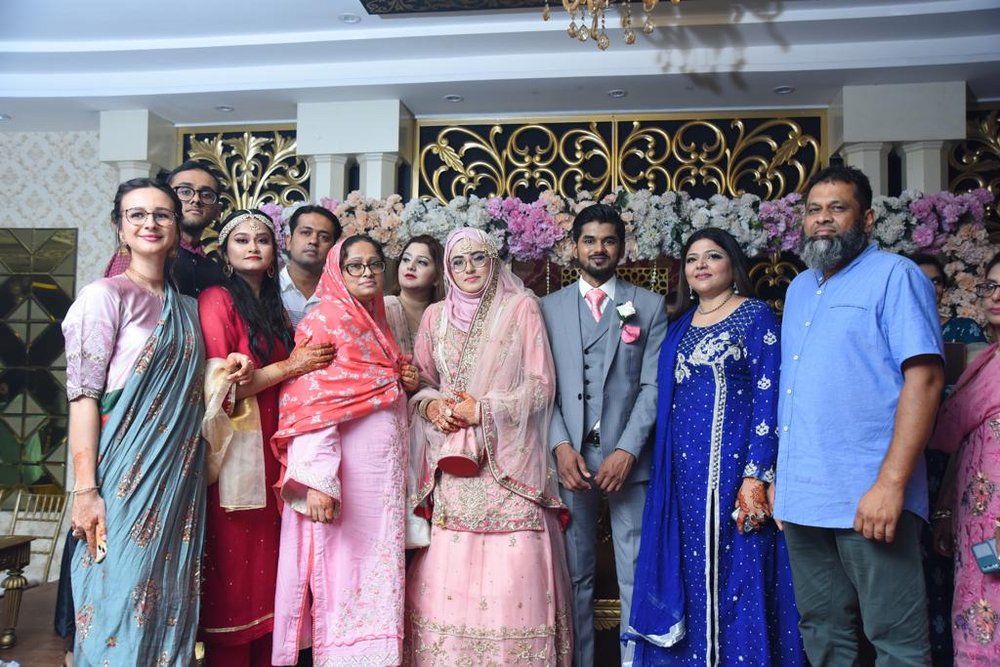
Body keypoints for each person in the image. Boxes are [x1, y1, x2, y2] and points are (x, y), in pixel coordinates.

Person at [61, 177, 248, 665]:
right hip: (121, 480)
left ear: (176, 225)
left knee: (169, 604)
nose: (150, 223)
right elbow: (83, 398)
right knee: (118, 598)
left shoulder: (188, 307)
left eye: (162, 214)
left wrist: (228, 367)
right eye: (137, 214)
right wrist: (85, 491)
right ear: (119, 226)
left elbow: (196, 386)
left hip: (179, 482)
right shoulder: (105, 296)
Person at [773, 165, 945, 665]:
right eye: (814, 210)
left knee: (896, 640)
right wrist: (787, 481)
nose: (823, 219)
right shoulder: (799, 288)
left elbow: (926, 380)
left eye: (837, 208)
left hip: (870, 492)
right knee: (823, 632)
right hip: (805, 498)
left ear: (867, 219)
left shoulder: (896, 275)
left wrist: (891, 484)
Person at [625, 228, 804, 665]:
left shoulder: (755, 316)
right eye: (692, 259)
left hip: (734, 476)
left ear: (733, 265)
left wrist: (757, 474)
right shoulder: (679, 327)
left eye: (712, 256)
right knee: (688, 574)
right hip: (683, 481)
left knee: (738, 574)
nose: (700, 265)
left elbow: (769, 396)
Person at [404, 227, 573, 665]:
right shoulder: (435, 317)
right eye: (458, 262)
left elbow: (541, 386)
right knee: (450, 577)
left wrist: (484, 409)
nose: (469, 269)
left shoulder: (521, 307)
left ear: (494, 262)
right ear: (447, 270)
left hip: (509, 464)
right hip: (454, 463)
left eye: (478, 258)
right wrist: (433, 408)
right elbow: (422, 382)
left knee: (512, 579)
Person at [270, 236, 419, 666]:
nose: (367, 272)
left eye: (375, 264)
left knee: (377, 574)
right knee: (342, 573)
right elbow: (311, 400)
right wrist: (318, 481)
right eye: (356, 266)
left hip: (381, 480)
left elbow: (377, 385)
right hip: (345, 478)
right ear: (337, 271)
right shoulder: (326, 319)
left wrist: (404, 381)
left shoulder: (375, 320)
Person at [197, 209, 335, 665]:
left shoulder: (273, 306)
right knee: (235, 569)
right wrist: (290, 366)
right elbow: (222, 390)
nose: (253, 246)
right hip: (238, 456)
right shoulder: (217, 299)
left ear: (276, 251)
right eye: (241, 240)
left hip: (277, 446)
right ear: (225, 253)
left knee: (273, 571)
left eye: (262, 239)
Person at [540, 203, 668, 665]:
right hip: (570, 461)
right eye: (590, 240)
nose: (599, 248)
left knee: (634, 570)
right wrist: (559, 446)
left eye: (608, 240)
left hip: (627, 462)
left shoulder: (648, 305)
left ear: (622, 247)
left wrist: (627, 450)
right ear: (574, 247)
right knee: (574, 574)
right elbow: (542, 386)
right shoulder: (546, 308)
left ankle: (635, 661)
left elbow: (653, 386)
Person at [910, 251, 988, 664]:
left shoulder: (963, 331)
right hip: (913, 459)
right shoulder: (893, 329)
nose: (927, 289)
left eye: (935, 282)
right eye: (917, 281)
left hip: (960, 463)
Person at [929, 252, 1000, 664]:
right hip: (976, 524)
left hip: (996, 521)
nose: (996, 296)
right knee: (974, 622)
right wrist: (945, 511)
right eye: (990, 286)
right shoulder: (986, 359)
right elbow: (964, 443)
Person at [104, 160, 226, 297]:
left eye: (206, 195)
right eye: (185, 191)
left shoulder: (212, 268)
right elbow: (117, 300)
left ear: (218, 211)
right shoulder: (141, 252)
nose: (196, 199)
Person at [279, 204, 341, 329]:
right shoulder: (267, 288)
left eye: (324, 237)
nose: (313, 241)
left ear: (334, 249)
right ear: (288, 241)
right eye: (306, 233)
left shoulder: (340, 295)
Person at [384, 234, 445, 355]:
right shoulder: (384, 308)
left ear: (437, 277)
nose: (410, 266)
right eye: (406, 259)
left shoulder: (444, 316)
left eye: (421, 262)